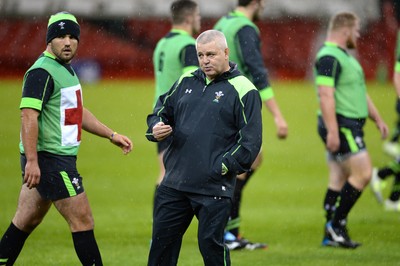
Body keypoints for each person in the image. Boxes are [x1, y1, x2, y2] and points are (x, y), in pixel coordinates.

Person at [0, 12, 133, 266]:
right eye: (61, 36)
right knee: (83, 221)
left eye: (73, 36)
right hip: (51, 162)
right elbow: (28, 116)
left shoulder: (65, 70)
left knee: (24, 221)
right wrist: (32, 161)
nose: (68, 42)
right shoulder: (41, 72)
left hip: (51, 161)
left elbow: (76, 112)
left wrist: (111, 134)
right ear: (49, 40)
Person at [145, 29, 262, 266]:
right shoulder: (186, 80)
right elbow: (159, 112)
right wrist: (156, 127)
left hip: (213, 187)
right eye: (200, 55)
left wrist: (220, 166)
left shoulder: (244, 89)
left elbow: (251, 142)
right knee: (161, 248)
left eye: (211, 54)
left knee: (211, 248)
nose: (205, 61)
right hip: (174, 184)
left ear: (226, 53)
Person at [213, 0, 288, 250]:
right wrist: (278, 115)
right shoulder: (246, 28)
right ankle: (225, 232)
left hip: (219, 98)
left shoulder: (223, 23)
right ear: (255, 2)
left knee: (250, 161)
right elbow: (257, 71)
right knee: (241, 164)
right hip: (236, 102)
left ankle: (227, 229)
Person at [313, 11, 389, 249]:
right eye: (356, 30)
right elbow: (326, 95)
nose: (357, 35)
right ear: (345, 30)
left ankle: (331, 233)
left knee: (338, 178)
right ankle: (336, 226)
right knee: (363, 174)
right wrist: (333, 132)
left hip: (347, 124)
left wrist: (377, 118)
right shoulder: (328, 57)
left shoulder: (343, 57)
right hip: (342, 125)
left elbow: (359, 91)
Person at [152, 0, 201, 191]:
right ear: (189, 18)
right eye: (198, 16)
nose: (199, 20)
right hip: (180, 116)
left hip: (159, 114)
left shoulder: (162, 44)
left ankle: (160, 220)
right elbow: (193, 83)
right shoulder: (189, 45)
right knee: (187, 175)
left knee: (164, 172)